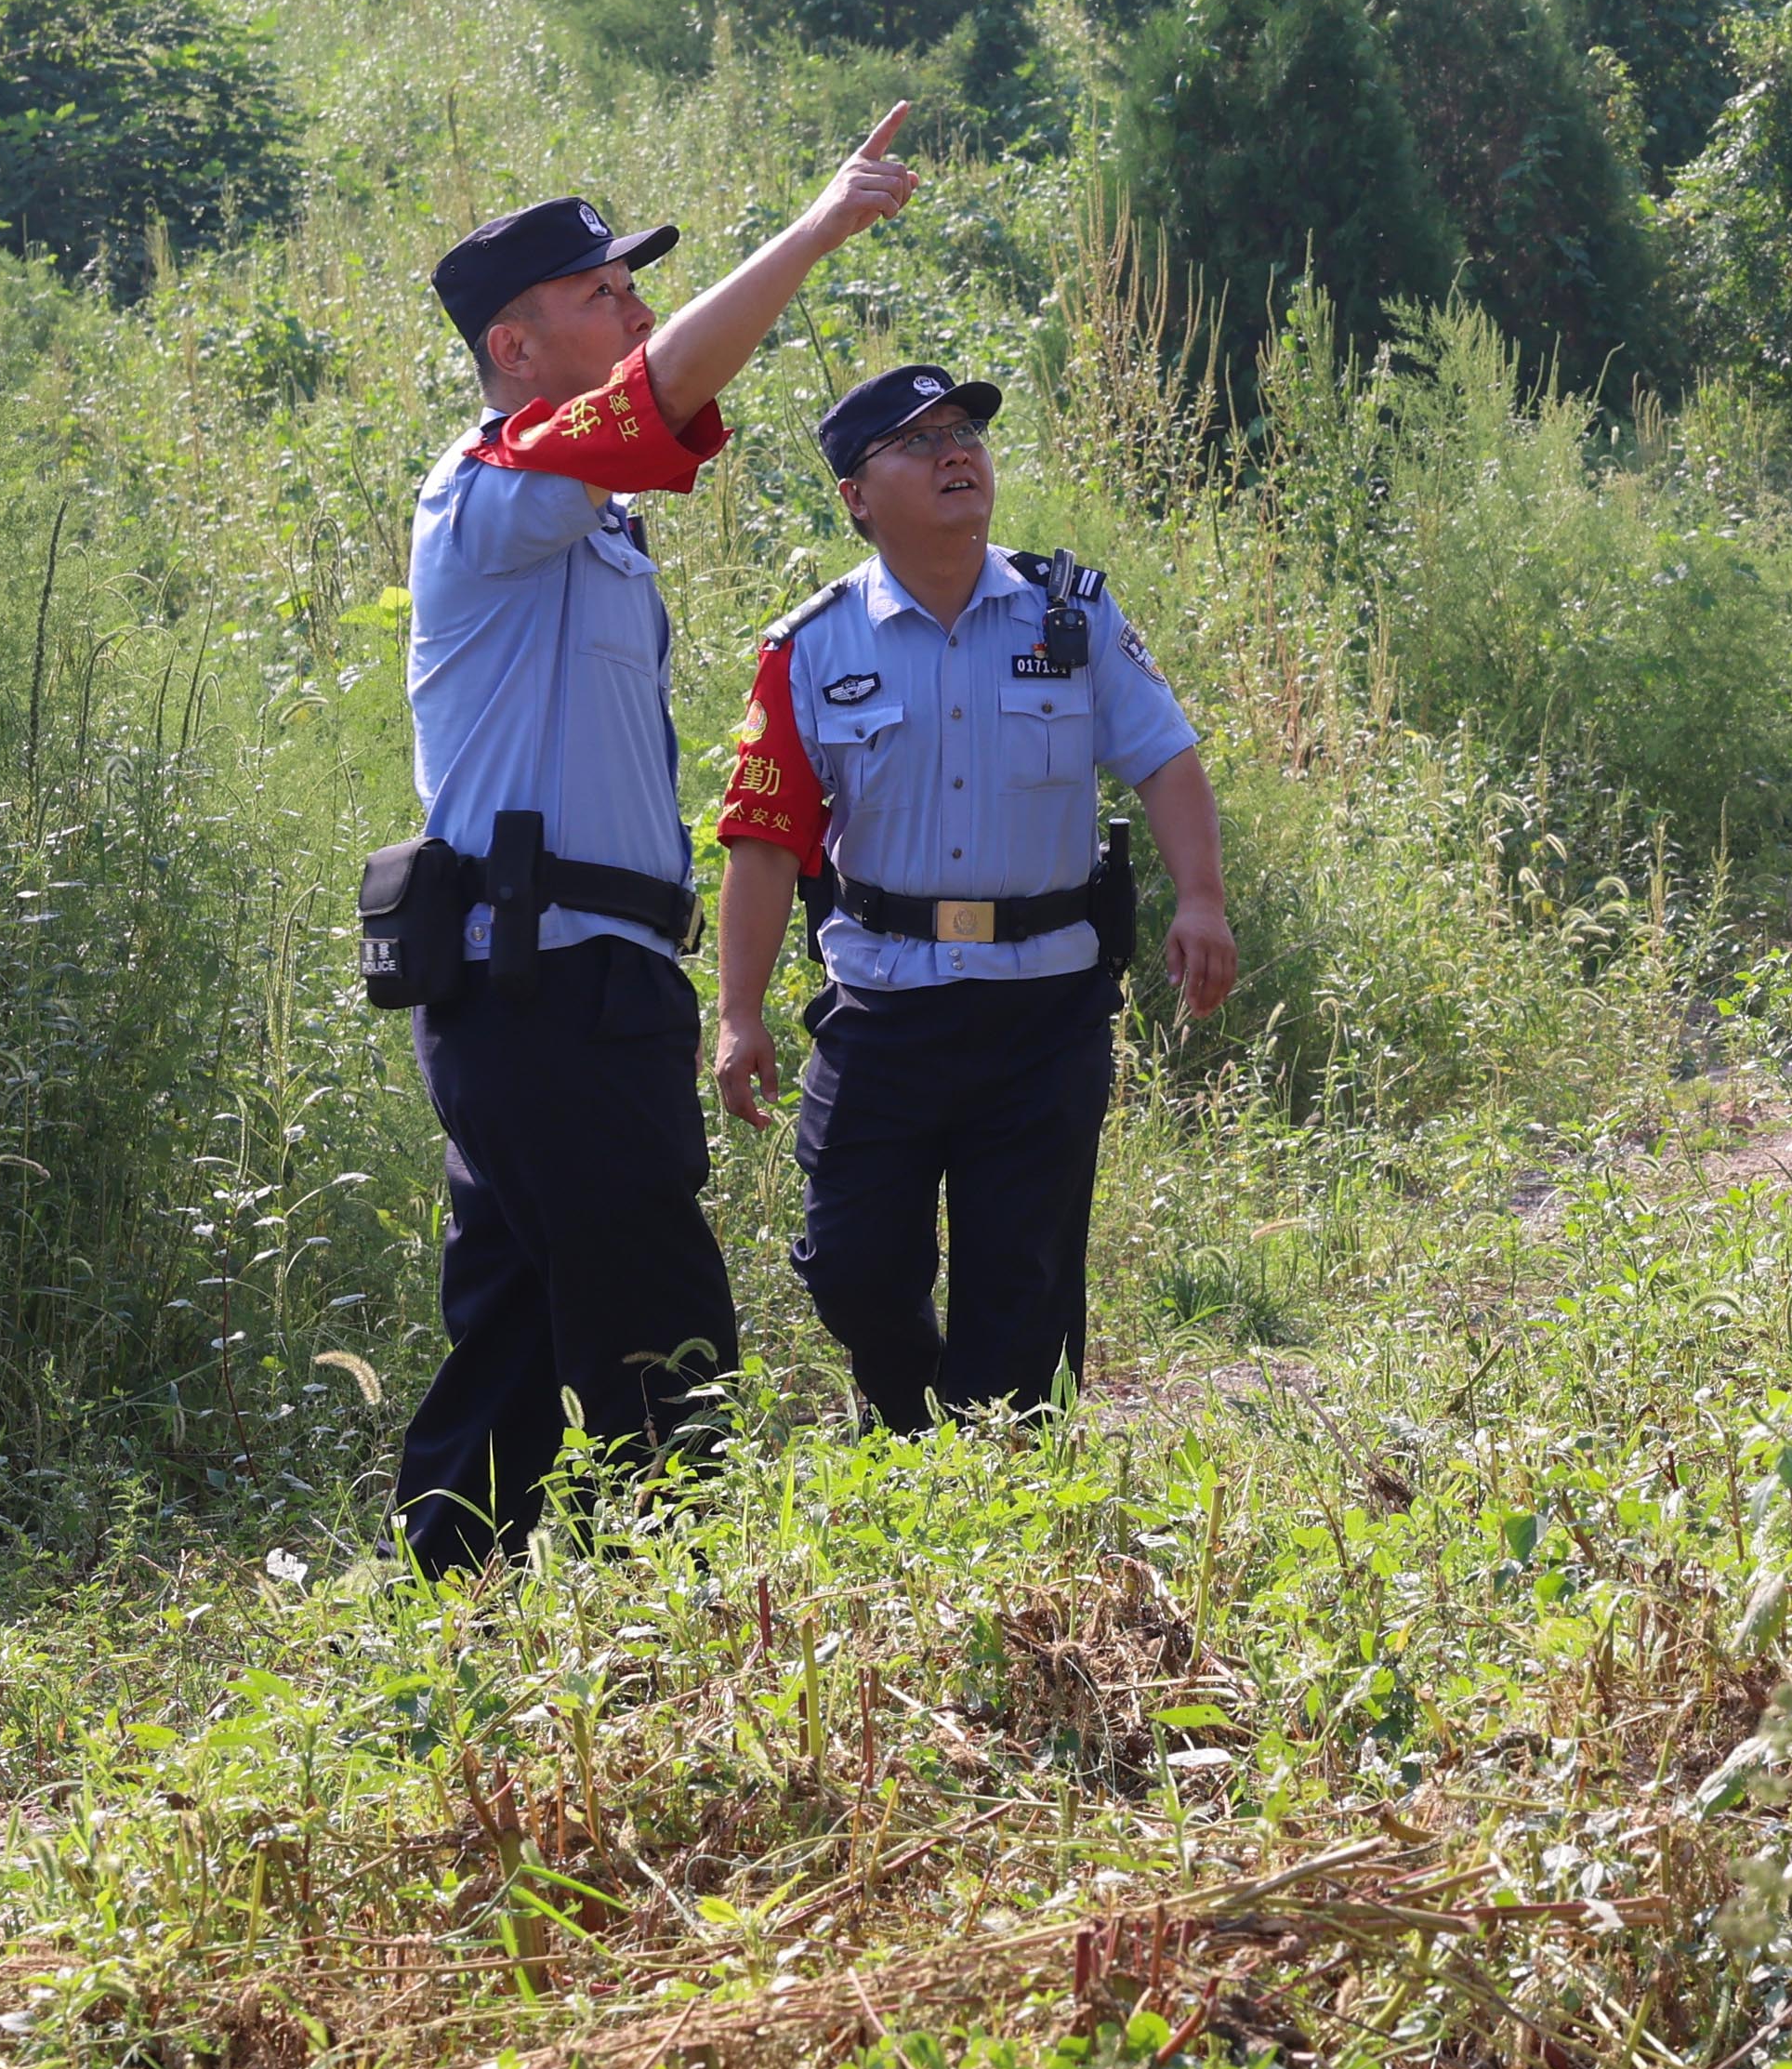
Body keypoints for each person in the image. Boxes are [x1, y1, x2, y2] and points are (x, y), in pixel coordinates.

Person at [366, 113, 917, 1569]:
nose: (634, 308)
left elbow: (653, 404)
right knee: (654, 1326)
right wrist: (813, 230)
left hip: (572, 980)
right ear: (515, 344)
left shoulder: (582, 514)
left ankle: (452, 1625)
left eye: (632, 286)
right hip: (535, 982)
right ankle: (678, 1633)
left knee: (516, 1324)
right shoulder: (489, 495)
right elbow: (666, 392)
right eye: (600, 292)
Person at [705, 362, 1242, 1427]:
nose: (956, 452)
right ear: (855, 495)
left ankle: (1006, 1479)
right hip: (881, 1008)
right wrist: (735, 1012)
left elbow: (1165, 757)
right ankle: (904, 1416)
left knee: (1024, 1276)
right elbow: (763, 843)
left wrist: (1202, 898)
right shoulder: (810, 647)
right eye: (918, 441)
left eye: (965, 432)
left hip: (1042, 1008)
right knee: (851, 1263)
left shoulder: (1069, 612)